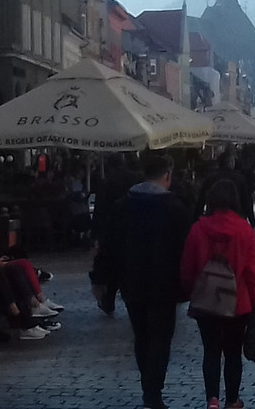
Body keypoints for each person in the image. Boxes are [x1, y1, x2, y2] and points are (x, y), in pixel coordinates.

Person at [90, 155, 192, 409]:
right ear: (167, 176)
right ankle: (152, 390)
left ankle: (149, 385)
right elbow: (186, 248)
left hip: (131, 281)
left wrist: (100, 278)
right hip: (164, 284)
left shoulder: (124, 205)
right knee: (161, 336)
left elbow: (108, 245)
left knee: (142, 335)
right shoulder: (175, 208)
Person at [181, 180, 255, 409]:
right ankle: (232, 399)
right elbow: (252, 272)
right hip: (238, 303)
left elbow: (187, 268)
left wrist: (192, 291)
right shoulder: (244, 231)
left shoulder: (198, 229)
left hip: (206, 301)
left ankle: (212, 399)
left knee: (211, 351)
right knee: (233, 353)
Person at [90, 154, 143, 314]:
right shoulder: (137, 178)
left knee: (112, 267)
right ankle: (133, 298)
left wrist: (96, 235)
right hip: (135, 228)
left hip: (112, 230)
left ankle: (109, 301)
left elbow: (100, 210)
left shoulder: (107, 182)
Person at [196, 149, 255, 228]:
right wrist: (253, 222)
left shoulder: (211, 178)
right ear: (231, 162)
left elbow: (201, 201)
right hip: (235, 218)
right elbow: (246, 202)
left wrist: (195, 220)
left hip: (213, 218)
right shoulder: (239, 178)